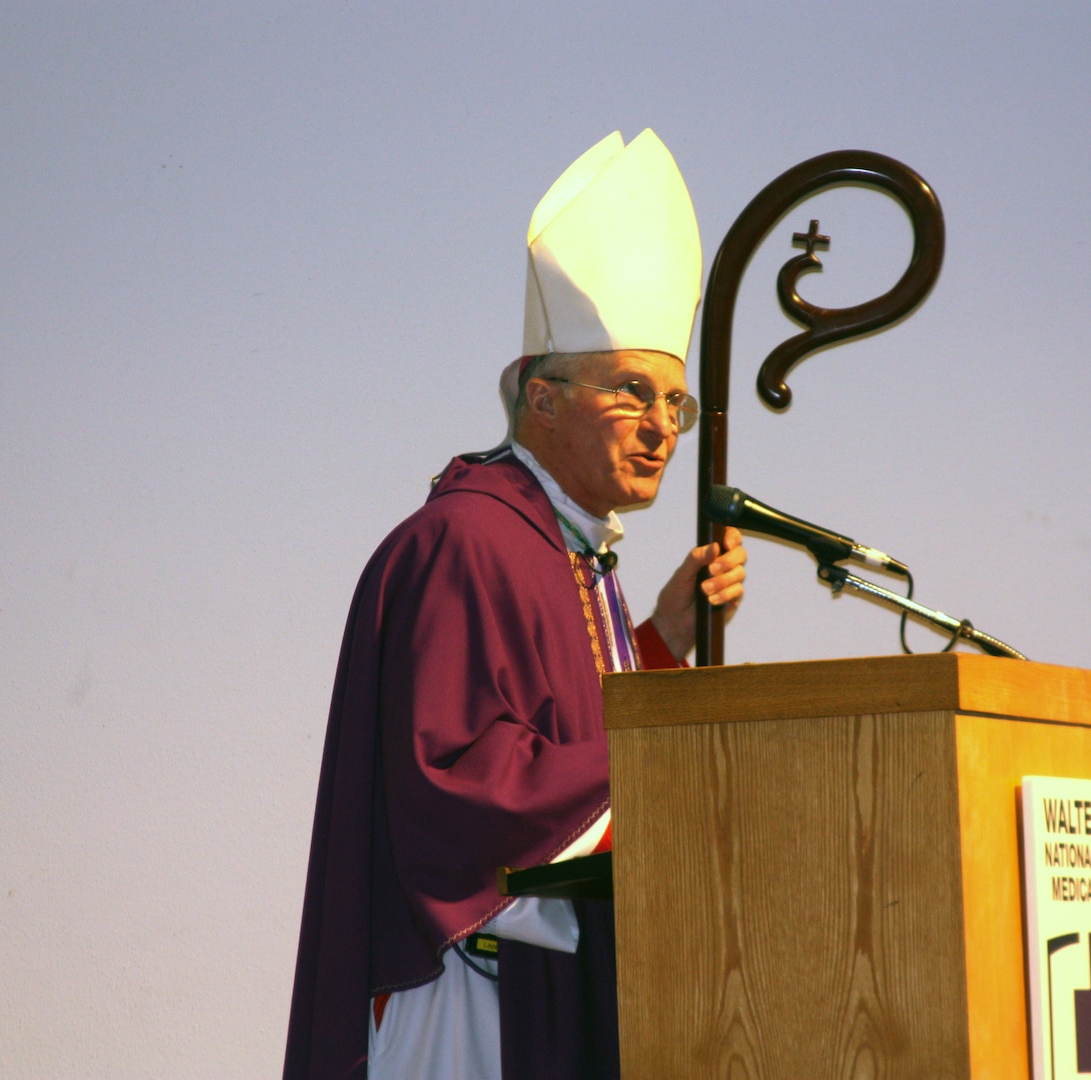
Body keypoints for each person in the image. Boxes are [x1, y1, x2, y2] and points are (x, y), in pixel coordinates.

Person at [282, 129, 746, 1080]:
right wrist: (686, 761)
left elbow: (566, 730)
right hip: (468, 1007)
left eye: (677, 404)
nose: (663, 426)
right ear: (542, 399)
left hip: (544, 991)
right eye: (632, 393)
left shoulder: (569, 552)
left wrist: (659, 640)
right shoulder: (468, 541)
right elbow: (459, 785)